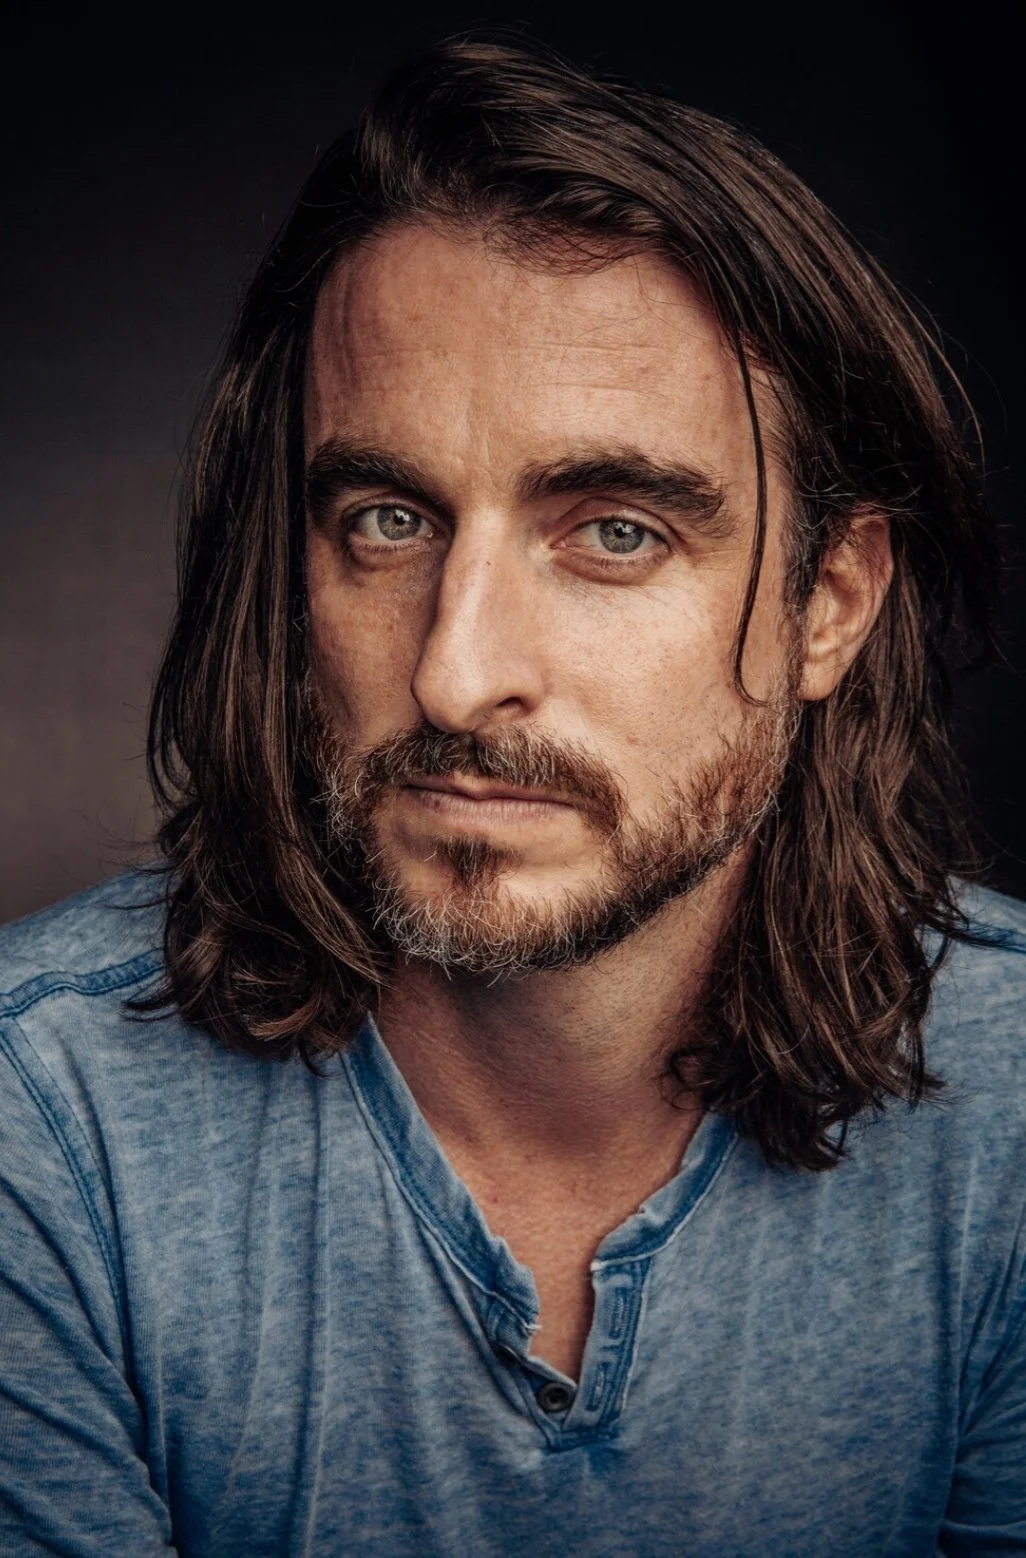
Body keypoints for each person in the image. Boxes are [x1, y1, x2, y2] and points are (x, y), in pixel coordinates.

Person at [1, 36, 1023, 1558]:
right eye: (388, 517)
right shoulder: (41, 1124)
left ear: (830, 601)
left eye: (612, 531)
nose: (454, 673)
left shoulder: (1009, 1113)